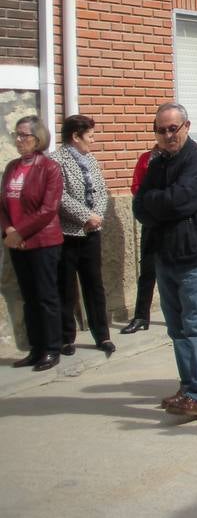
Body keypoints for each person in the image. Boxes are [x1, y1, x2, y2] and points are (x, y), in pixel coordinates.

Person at [133, 102, 197, 420]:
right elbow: (139, 206)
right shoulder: (157, 163)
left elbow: (181, 201)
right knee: (177, 330)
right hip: (165, 256)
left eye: (174, 128)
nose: (168, 135)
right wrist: (159, 203)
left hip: (194, 256)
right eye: (162, 130)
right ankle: (187, 388)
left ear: (186, 126)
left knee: (196, 326)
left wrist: (157, 202)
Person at [2, 116, 65, 371]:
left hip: (43, 241)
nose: (18, 140)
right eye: (16, 134)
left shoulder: (49, 168)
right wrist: (8, 229)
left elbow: (48, 209)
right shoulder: (12, 167)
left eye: (24, 135)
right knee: (29, 297)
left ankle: (52, 348)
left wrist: (20, 232)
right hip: (17, 242)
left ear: (37, 138)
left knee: (45, 296)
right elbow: (2, 203)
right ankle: (35, 348)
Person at [51, 114, 115, 357]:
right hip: (68, 233)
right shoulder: (56, 161)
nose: (93, 139)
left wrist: (96, 216)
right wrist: (83, 216)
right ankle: (67, 338)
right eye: (89, 135)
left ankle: (103, 335)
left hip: (91, 232)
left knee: (94, 285)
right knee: (66, 286)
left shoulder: (91, 160)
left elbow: (101, 190)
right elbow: (59, 196)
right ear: (75, 136)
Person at [121, 146, 159, 334]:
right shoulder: (146, 159)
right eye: (160, 130)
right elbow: (136, 186)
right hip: (152, 222)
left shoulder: (183, 158)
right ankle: (141, 316)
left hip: (175, 222)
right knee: (147, 271)